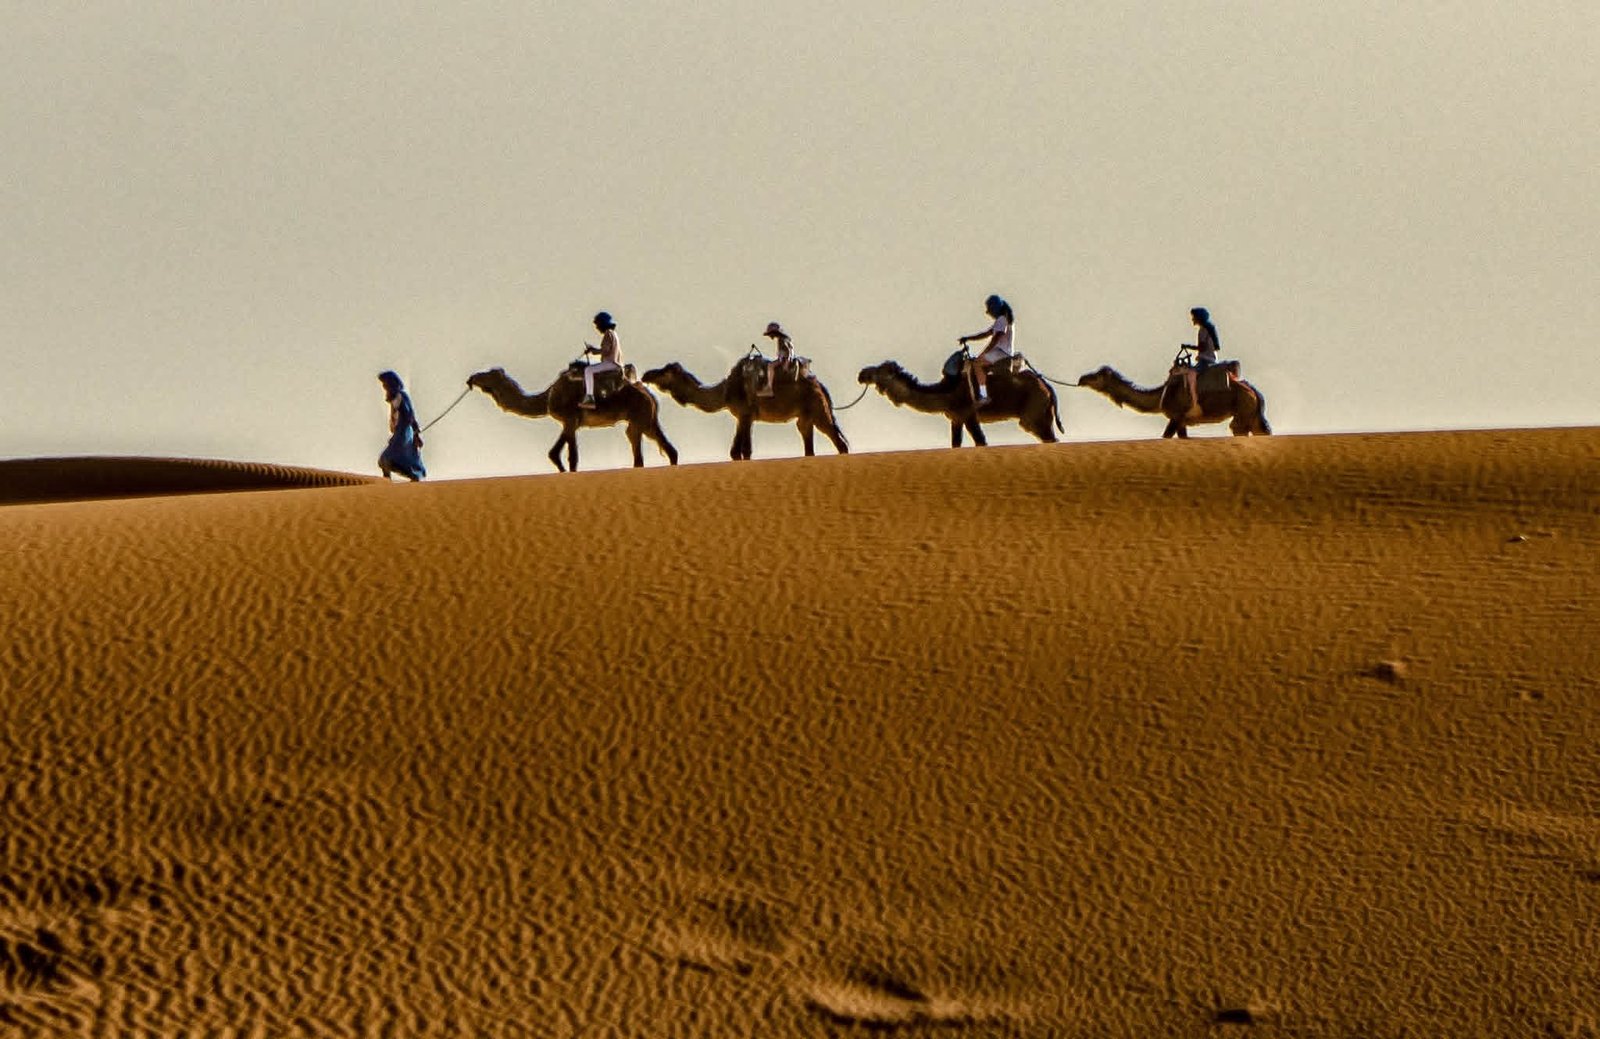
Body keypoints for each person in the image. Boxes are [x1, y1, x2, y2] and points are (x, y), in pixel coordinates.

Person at [956, 294, 1015, 405]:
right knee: (977, 361)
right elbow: (986, 334)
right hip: (1000, 352)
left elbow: (995, 339)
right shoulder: (1002, 320)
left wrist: (984, 353)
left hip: (1001, 353)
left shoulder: (1002, 320)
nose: (989, 313)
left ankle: (983, 395)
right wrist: (968, 338)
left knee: (976, 364)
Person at [377, 370, 426, 481]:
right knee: (388, 460)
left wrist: (416, 433)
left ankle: (410, 476)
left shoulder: (401, 397)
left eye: (385, 384)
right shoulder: (395, 399)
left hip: (403, 434)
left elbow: (410, 415)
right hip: (399, 433)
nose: (384, 387)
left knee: (388, 458)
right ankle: (388, 481)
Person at [1179, 306, 1221, 413]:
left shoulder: (1203, 330)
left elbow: (1202, 347)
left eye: (1194, 317)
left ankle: (1194, 401)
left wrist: (1187, 346)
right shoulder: (1208, 329)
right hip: (1210, 358)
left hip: (1206, 360)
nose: (1193, 319)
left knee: (1191, 374)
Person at [581, 311, 623, 408]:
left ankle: (589, 398)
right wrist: (593, 350)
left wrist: (593, 350)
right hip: (615, 362)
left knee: (588, 370)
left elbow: (605, 351)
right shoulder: (613, 334)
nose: (597, 328)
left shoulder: (608, 334)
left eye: (598, 325)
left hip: (611, 363)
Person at [757, 321, 794, 397]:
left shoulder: (782, 339)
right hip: (783, 359)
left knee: (770, 366)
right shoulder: (783, 338)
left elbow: (788, 351)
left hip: (783, 360)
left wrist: (787, 362)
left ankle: (769, 387)